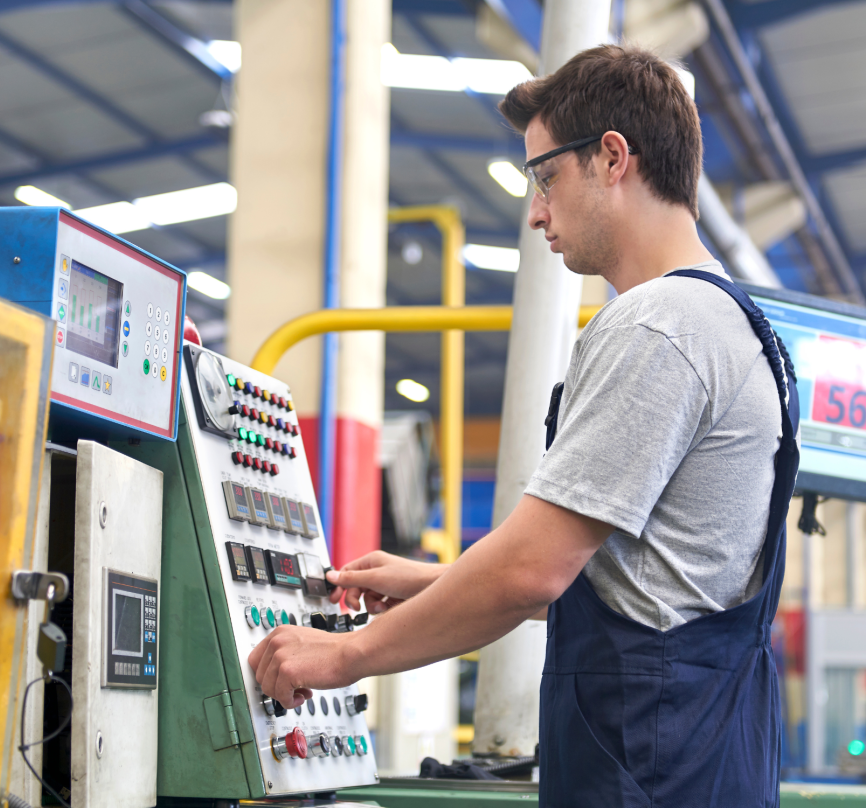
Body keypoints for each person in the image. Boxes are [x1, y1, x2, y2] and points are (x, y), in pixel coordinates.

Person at [250, 44, 799, 807]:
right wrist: (431, 582)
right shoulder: (739, 328)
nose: (537, 210)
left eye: (545, 177)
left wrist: (345, 657)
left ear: (612, 158)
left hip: (646, 774)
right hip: (703, 767)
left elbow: (529, 570)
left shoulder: (658, 325)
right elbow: (640, 589)